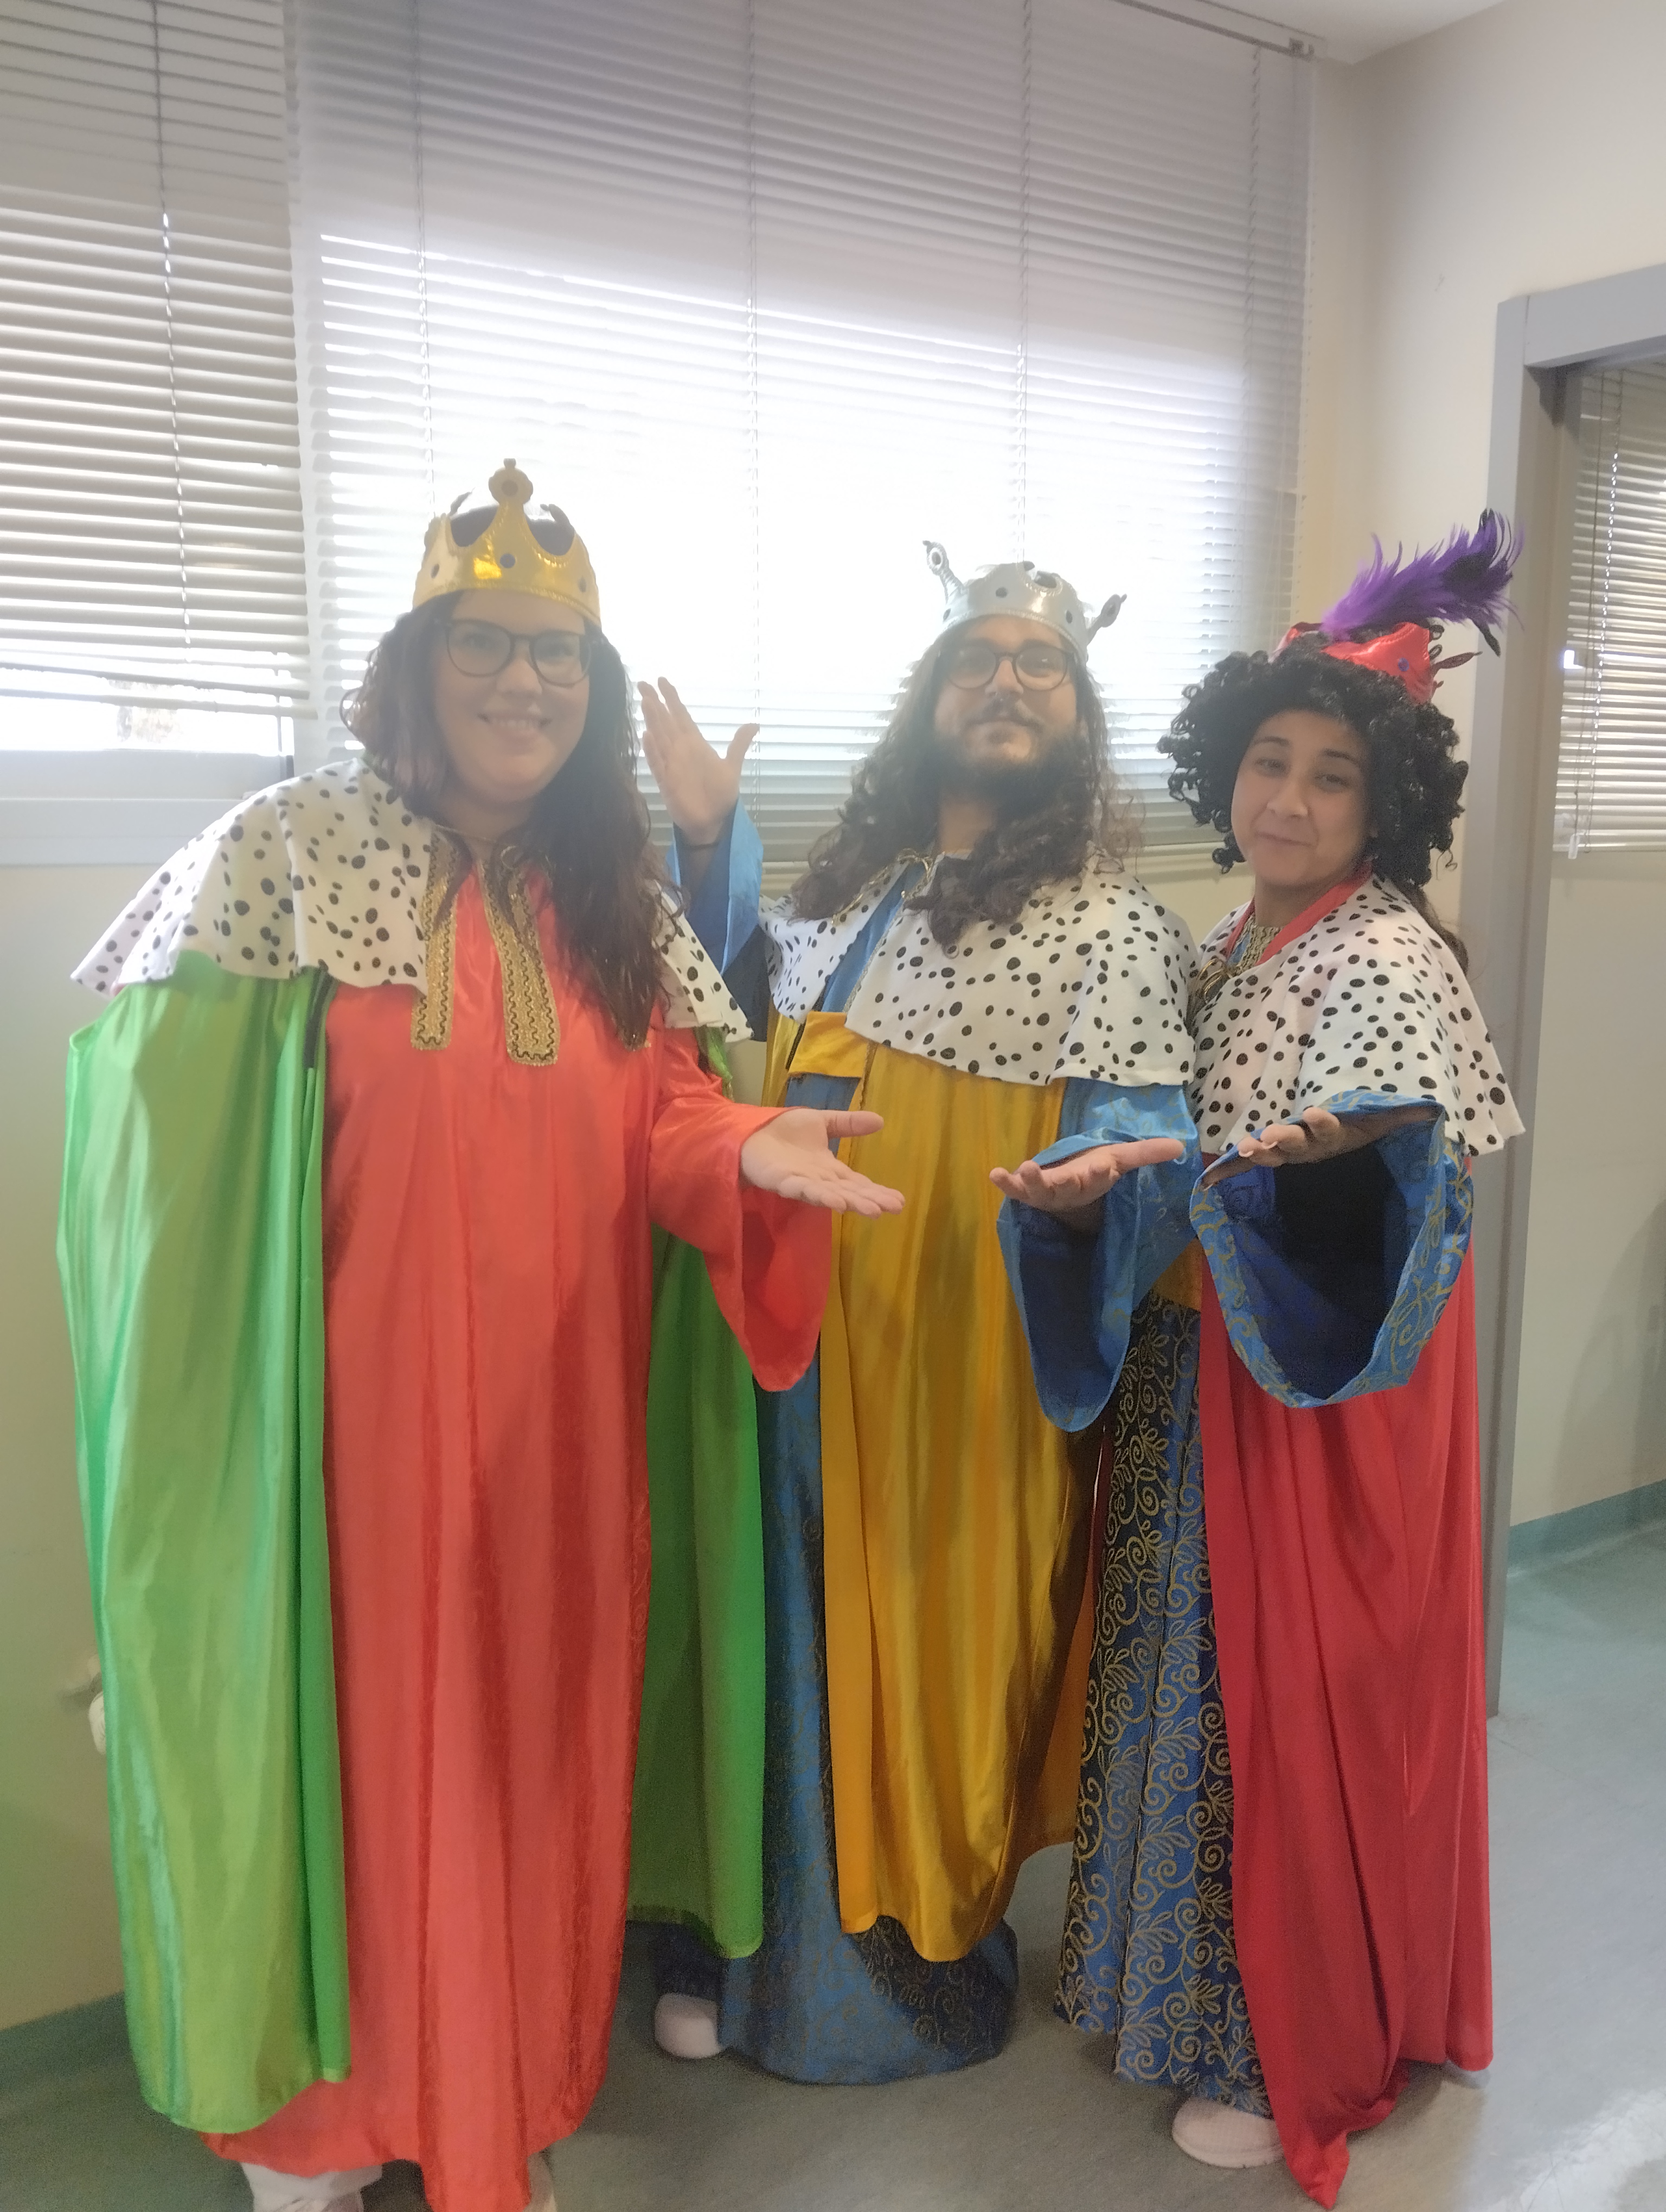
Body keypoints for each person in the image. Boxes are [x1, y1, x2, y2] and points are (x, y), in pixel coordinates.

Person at [58, 464, 904, 2212]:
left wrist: (747, 1147)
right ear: (415, 663)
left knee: (525, 1766)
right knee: (355, 1770)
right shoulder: (288, 852)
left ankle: (488, 2083)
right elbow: (166, 1177)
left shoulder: (615, 899)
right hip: (341, 1446)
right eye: (488, 645)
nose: (526, 682)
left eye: (559, 656)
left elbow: (666, 1117)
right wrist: (209, 1449)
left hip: (554, 1442)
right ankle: (320, 2135)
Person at [997, 515, 1525, 2206]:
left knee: (1279, 1709)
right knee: (1190, 1683)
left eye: (1332, 778)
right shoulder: (1228, 940)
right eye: (1270, 763)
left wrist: (1313, 1164)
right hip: (1196, 1382)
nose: (1289, 800)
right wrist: (1109, 1181)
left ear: (1387, 810)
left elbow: (1388, 1151)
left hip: (1304, 1409)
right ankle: (1176, 1994)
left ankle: (1274, 2033)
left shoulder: (1384, 953)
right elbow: (1193, 1140)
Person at [637, 543, 1199, 2080]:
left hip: (967, 1360)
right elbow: (724, 1022)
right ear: (928, 703)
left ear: (1078, 715)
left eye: (1041, 665)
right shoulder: (853, 892)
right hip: (800, 1342)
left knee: (941, 1661)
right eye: (977, 660)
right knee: (784, 1632)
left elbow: (1145, 1145)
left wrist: (1089, 1197)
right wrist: (709, 837)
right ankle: (745, 1950)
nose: (1007, 682)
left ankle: (903, 1979)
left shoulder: (1113, 930)